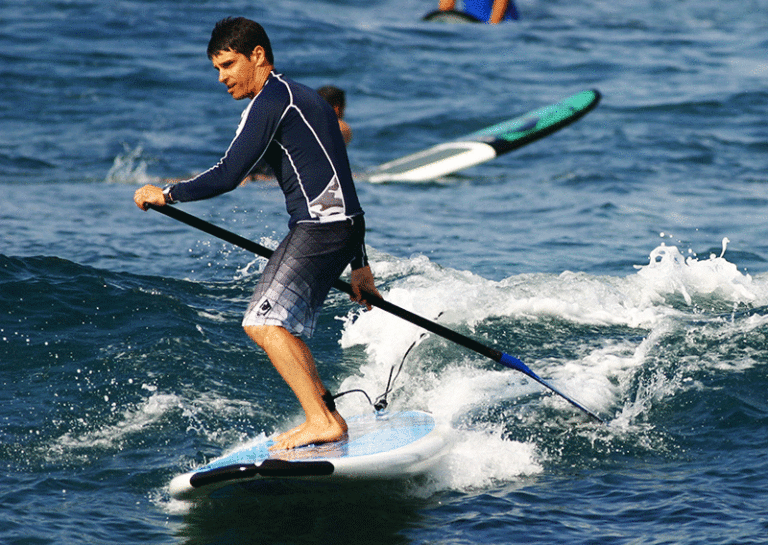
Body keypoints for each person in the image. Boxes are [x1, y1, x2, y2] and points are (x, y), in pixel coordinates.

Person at [133, 17, 380, 451]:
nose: (222, 77)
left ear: (258, 56)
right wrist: (359, 264)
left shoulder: (271, 101)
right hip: (337, 230)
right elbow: (348, 190)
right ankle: (329, 416)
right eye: (216, 69)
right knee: (280, 324)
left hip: (319, 229)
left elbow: (229, 173)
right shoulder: (307, 98)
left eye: (228, 65)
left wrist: (166, 194)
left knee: (263, 321)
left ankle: (320, 421)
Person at [438, 0, 518, 23]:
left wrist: (493, 24)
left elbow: (501, 2)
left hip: (506, 24)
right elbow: (445, 10)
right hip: (471, 24)